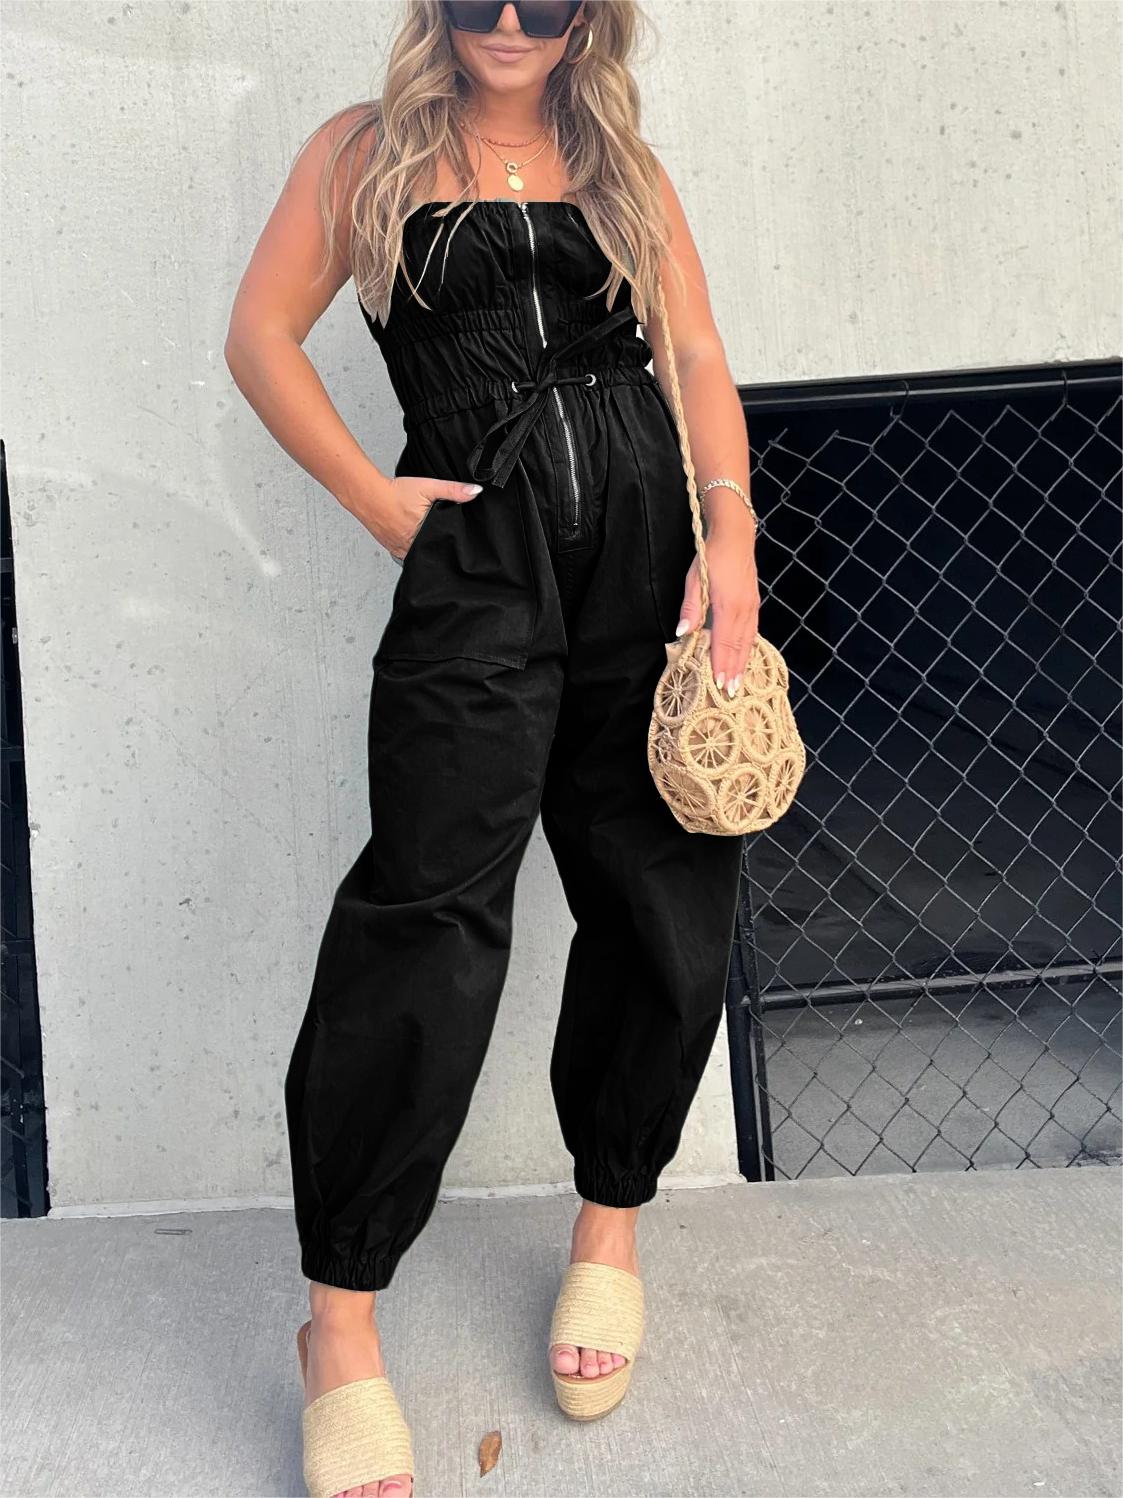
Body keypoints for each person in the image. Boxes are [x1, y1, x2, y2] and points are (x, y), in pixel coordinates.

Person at [225, 1, 760, 1493]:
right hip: (479, 564)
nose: (510, 19)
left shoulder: (622, 164)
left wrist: (730, 536)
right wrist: (377, 501)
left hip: (648, 553)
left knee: (660, 885)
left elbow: (694, 349)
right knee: (427, 912)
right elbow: (259, 337)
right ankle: (340, 1324)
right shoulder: (365, 154)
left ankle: (611, 1224)